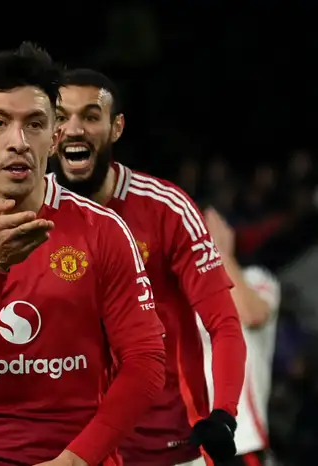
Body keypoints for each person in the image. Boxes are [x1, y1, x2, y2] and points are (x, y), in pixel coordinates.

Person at [0, 43, 166, 466]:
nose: (18, 142)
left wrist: (75, 459)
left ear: (55, 137)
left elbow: (146, 362)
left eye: (35, 124)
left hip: (77, 456)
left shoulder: (103, 229)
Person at [52, 68, 247, 465]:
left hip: (169, 447)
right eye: (61, 117)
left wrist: (224, 414)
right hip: (68, 446)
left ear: (116, 127)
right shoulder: (32, 214)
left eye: (90, 116)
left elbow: (224, 323)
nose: (74, 129)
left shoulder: (166, 209)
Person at [201, 208, 280, 466]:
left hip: (240, 443)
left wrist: (219, 254)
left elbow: (251, 314)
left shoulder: (256, 279)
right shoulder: (177, 296)